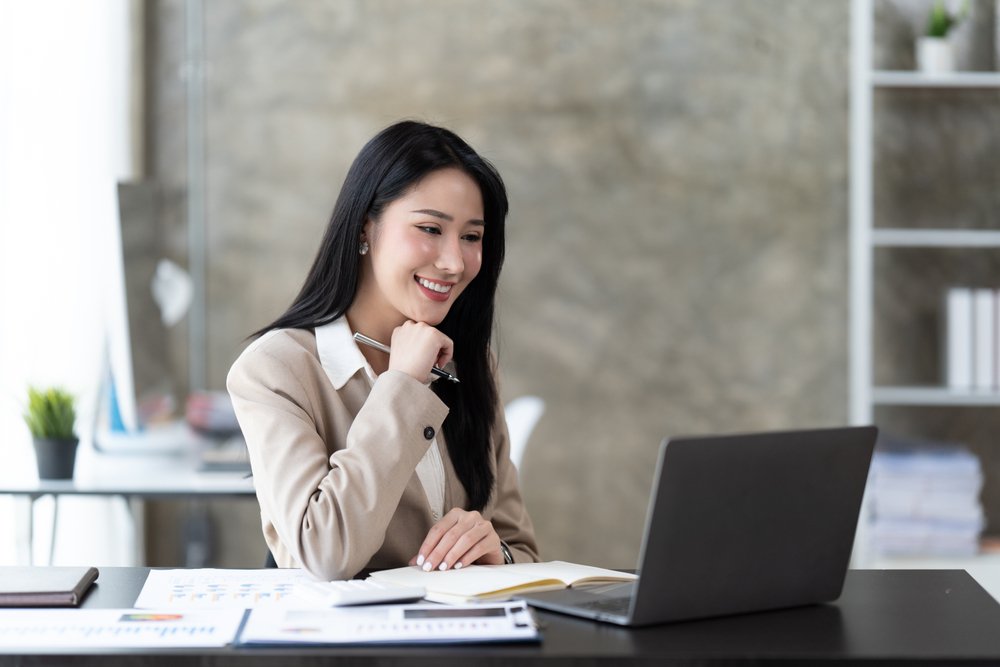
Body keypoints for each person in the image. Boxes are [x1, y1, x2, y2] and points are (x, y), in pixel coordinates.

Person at [227, 120, 539, 580]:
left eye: (472, 237)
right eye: (430, 228)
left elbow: (524, 551)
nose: (454, 262)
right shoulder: (275, 370)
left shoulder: (469, 363)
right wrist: (403, 384)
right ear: (364, 228)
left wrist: (498, 554)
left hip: (458, 625)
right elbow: (324, 553)